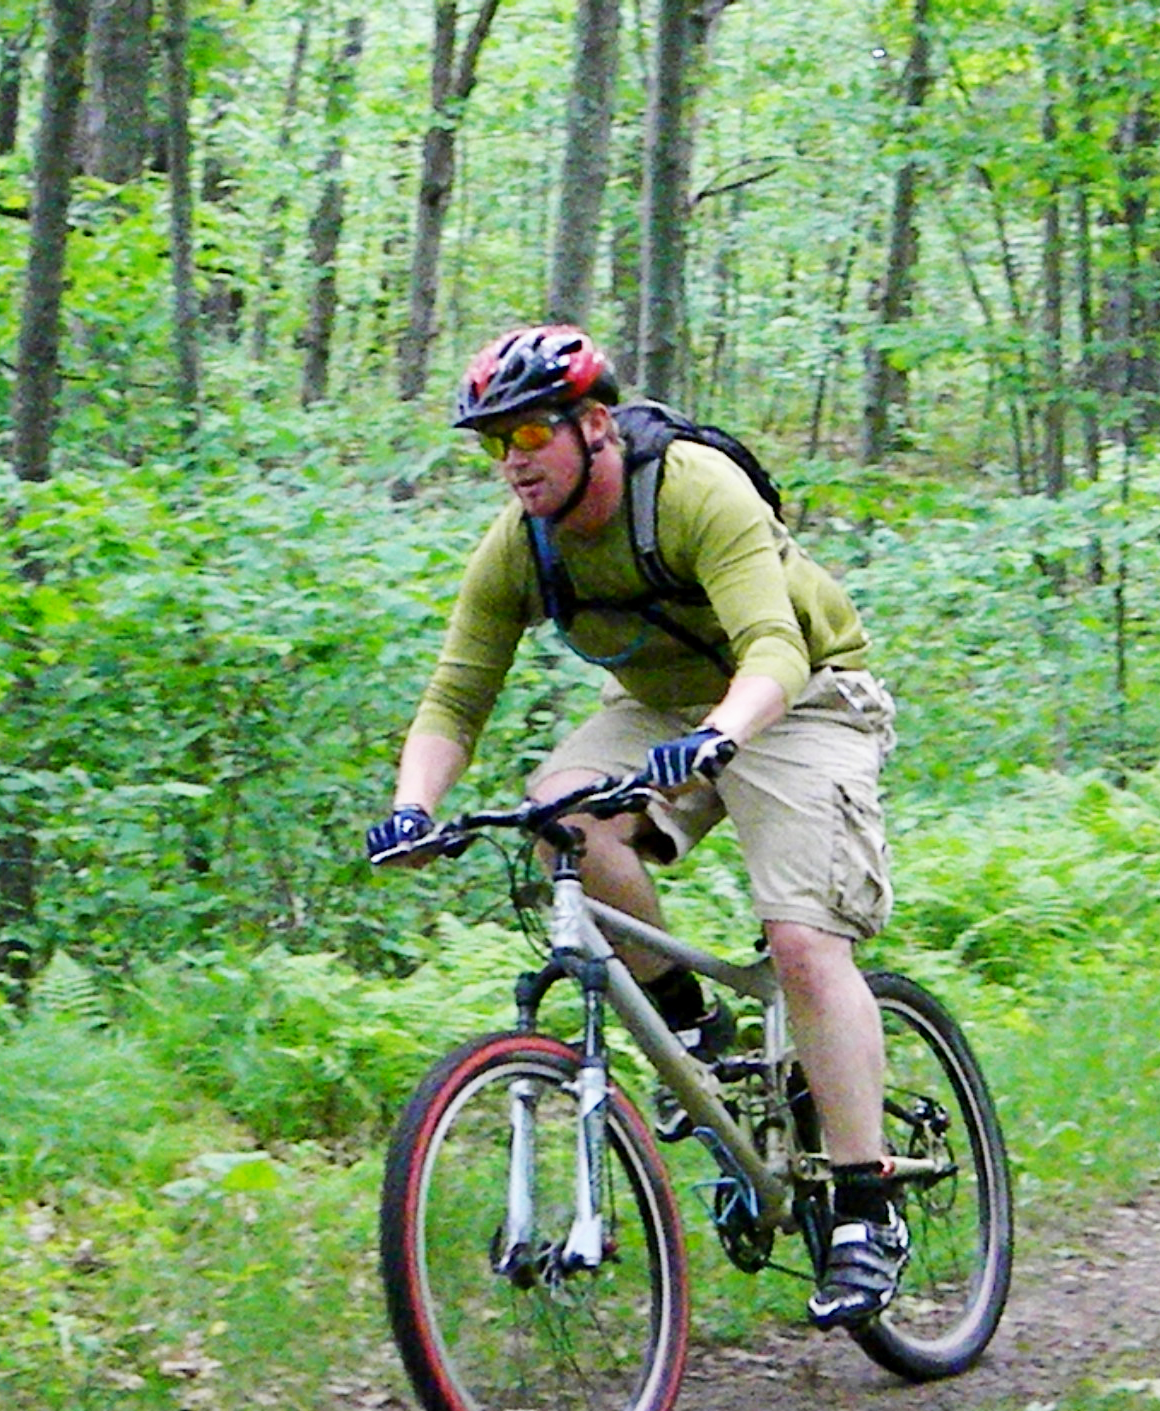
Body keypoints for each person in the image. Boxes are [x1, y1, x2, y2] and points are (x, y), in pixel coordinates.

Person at [365, 324, 906, 1328]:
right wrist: (412, 807)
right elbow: (454, 700)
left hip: (801, 697)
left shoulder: (694, 489)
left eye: (529, 430)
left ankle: (863, 1206)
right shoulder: (517, 549)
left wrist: (718, 736)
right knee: (556, 822)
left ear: (595, 424)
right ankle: (694, 1026)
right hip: (660, 711)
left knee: (798, 937)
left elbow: (775, 650)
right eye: (494, 442)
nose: (513, 459)